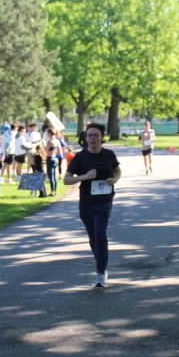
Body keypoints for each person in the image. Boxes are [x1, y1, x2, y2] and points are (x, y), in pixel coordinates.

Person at [64, 123, 121, 288]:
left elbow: (117, 171)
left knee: (100, 233)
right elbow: (66, 179)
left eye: (96, 135)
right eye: (89, 135)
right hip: (86, 201)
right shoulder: (80, 157)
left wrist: (115, 179)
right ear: (85, 138)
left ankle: (100, 272)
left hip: (104, 199)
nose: (93, 138)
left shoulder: (109, 155)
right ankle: (101, 261)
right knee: (93, 236)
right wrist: (85, 176)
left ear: (102, 137)